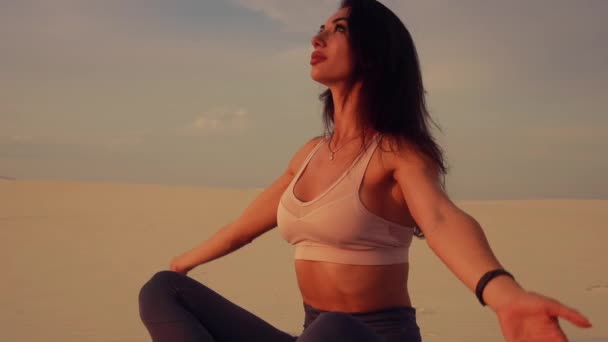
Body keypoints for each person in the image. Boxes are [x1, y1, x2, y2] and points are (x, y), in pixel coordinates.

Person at [138, 0, 592, 341]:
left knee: (334, 329)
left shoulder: (397, 155)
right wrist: (184, 263)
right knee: (162, 290)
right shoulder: (309, 154)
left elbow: (440, 219)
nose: (318, 39)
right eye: (320, 29)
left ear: (373, 53)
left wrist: (503, 294)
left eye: (338, 30)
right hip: (313, 336)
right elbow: (244, 226)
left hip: (370, 337)